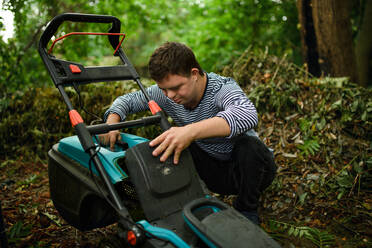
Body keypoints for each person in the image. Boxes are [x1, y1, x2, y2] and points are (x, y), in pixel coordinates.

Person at [99, 41, 276, 225]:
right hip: (213, 171)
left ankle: (247, 210)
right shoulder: (167, 94)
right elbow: (128, 100)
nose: (169, 95)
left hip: (252, 172)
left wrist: (190, 131)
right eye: (163, 89)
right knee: (172, 143)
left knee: (249, 146)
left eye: (176, 88)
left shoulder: (221, 88)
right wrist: (112, 120)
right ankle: (189, 206)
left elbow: (246, 114)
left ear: (194, 74)